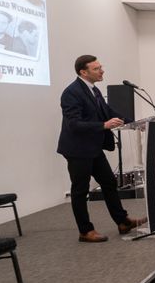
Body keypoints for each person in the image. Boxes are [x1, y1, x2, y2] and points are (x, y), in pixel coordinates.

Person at [57, 55, 144, 243]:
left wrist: (134, 123)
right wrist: (104, 125)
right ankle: (85, 231)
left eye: (100, 67)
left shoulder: (93, 90)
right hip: (77, 149)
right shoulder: (71, 93)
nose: (102, 70)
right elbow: (74, 124)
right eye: (96, 68)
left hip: (93, 147)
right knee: (80, 190)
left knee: (109, 183)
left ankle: (123, 222)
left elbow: (108, 113)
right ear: (83, 72)